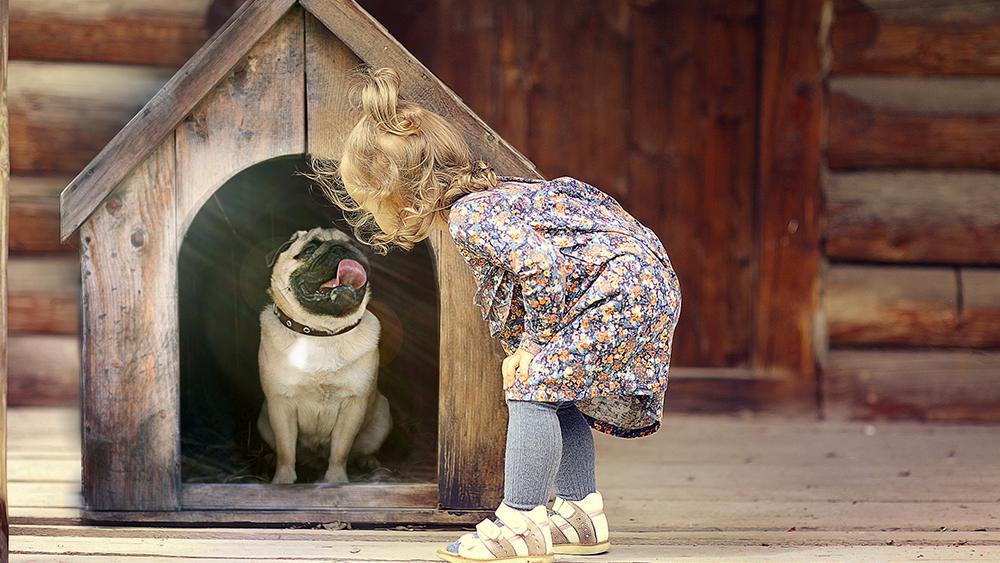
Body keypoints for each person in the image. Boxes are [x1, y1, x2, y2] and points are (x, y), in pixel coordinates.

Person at [307, 66, 681, 563]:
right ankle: (580, 516)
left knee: (531, 383)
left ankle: (520, 523)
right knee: (558, 390)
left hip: (620, 292)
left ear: (398, 194)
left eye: (371, 203)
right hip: (643, 283)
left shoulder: (470, 215)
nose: (373, 215)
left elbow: (540, 264)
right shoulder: (500, 197)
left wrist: (535, 344)